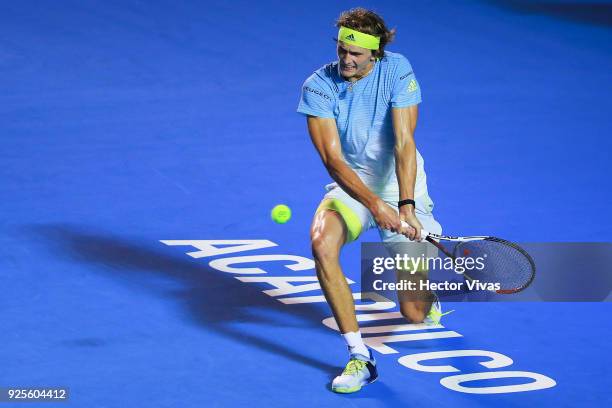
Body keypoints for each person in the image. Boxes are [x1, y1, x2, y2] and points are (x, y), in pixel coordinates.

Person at [297, 8, 449, 393]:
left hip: (400, 184)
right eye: (342, 50)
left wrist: (406, 206)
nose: (346, 60)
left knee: (413, 313)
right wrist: (373, 204)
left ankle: (426, 295)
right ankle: (359, 356)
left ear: (375, 54)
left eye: (356, 54)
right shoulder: (318, 85)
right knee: (321, 243)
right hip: (352, 184)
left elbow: (404, 144)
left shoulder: (397, 71)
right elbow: (333, 160)